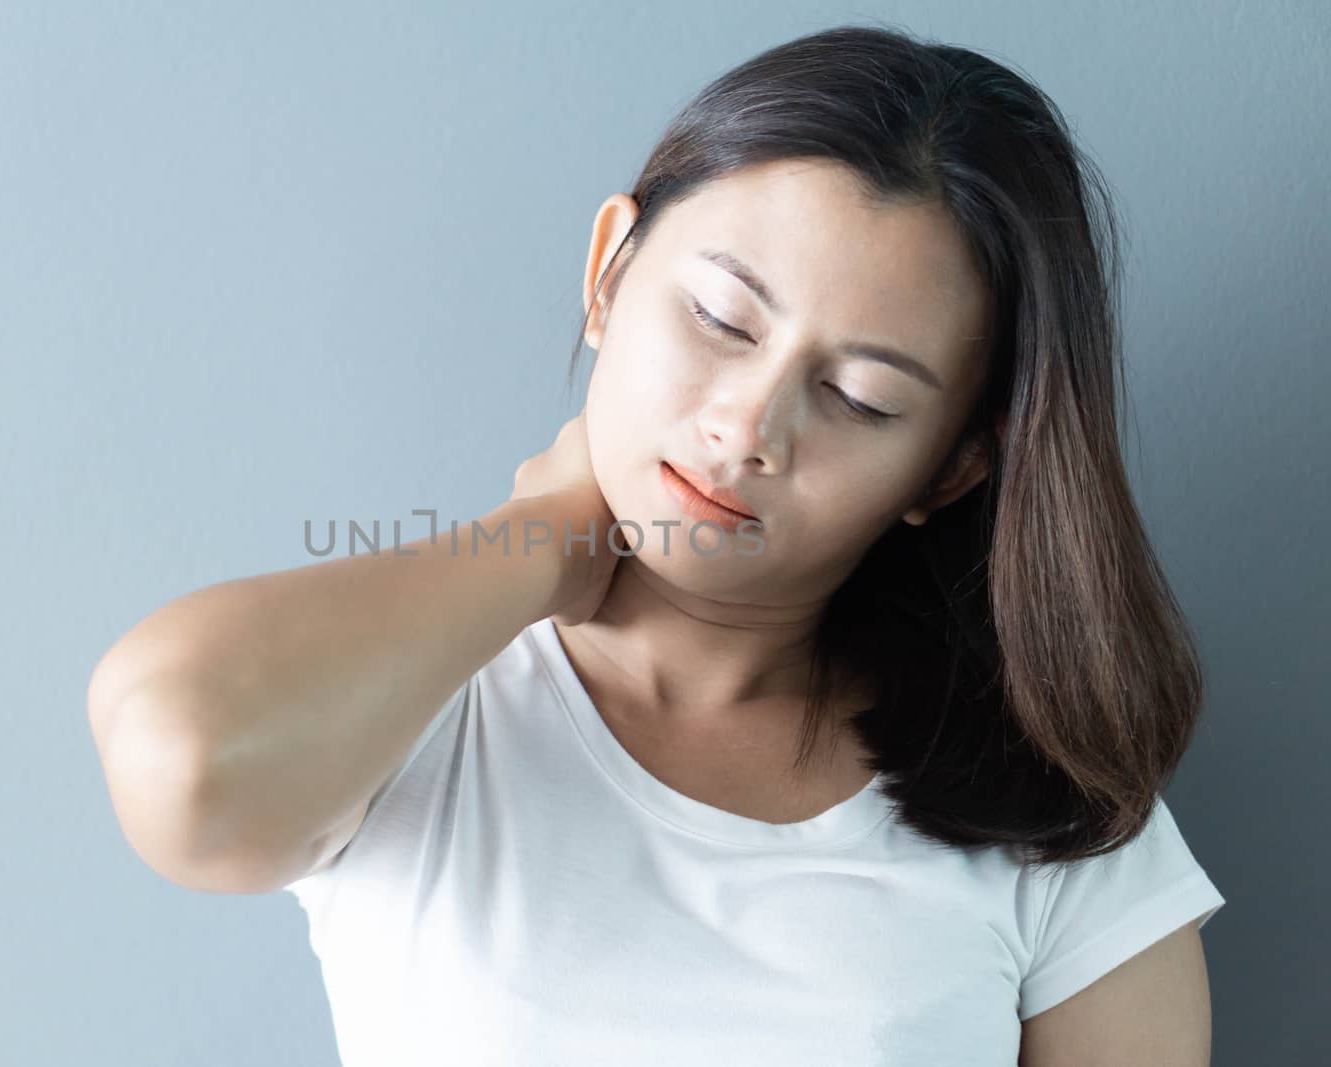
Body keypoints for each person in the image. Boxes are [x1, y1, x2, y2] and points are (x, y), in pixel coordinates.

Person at [86, 23, 1225, 1066]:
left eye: (862, 396)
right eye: (721, 319)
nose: (747, 426)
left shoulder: (1042, 805)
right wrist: (551, 535)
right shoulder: (415, 704)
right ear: (608, 272)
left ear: (949, 468)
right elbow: (180, 756)